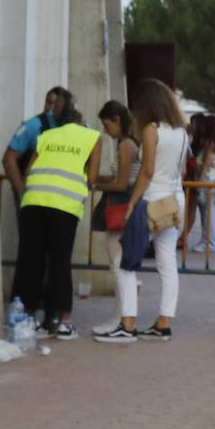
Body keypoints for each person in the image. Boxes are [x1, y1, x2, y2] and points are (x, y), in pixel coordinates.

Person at [8, 108, 104, 340]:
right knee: (60, 261)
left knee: (32, 261)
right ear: (82, 122)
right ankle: (63, 322)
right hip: (64, 205)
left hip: (34, 201)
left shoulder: (47, 135)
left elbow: (30, 169)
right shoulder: (92, 136)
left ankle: (29, 319)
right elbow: (91, 177)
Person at [113, 79, 189, 342]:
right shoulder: (181, 132)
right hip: (175, 201)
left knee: (126, 261)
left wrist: (132, 203)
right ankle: (163, 322)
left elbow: (146, 172)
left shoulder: (151, 129)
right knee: (167, 261)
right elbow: (182, 171)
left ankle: (128, 322)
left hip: (151, 200)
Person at [90, 102, 143, 343]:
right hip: (122, 206)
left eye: (106, 123)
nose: (105, 129)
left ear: (116, 119)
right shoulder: (131, 144)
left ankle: (121, 317)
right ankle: (120, 315)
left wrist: (96, 185)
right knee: (117, 265)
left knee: (117, 266)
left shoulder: (125, 145)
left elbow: (121, 184)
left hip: (119, 206)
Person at [1, 86, 72, 204]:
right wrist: (22, 191)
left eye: (56, 104)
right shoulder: (33, 125)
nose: (52, 107)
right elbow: (9, 158)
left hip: (61, 198)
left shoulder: (75, 127)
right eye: (49, 102)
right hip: (33, 197)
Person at [186, 114, 215, 253]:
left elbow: (206, 164)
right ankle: (206, 240)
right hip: (210, 180)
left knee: (207, 212)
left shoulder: (209, 144)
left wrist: (200, 182)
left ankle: (210, 242)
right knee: (206, 211)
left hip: (207, 181)